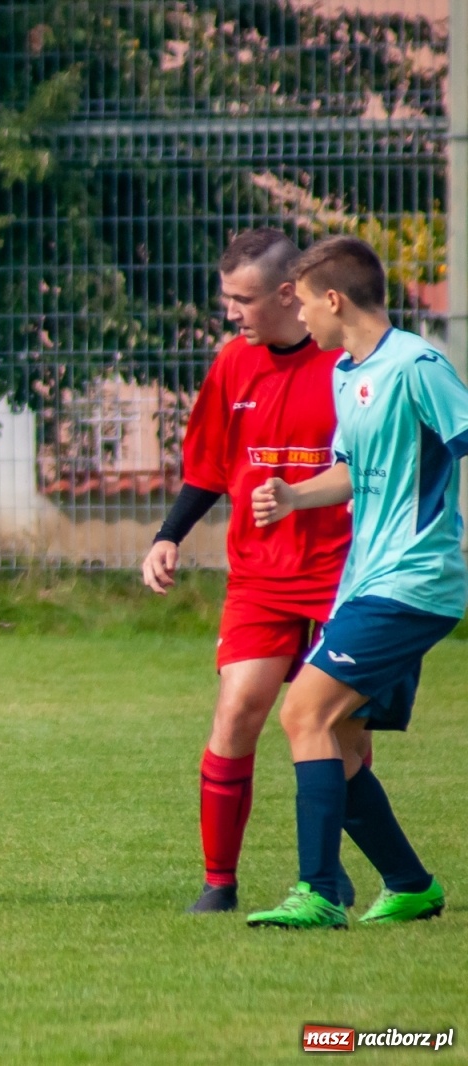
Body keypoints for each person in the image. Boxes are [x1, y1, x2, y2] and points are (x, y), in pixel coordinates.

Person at [246, 235, 467, 929]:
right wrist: (292, 498)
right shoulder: (347, 372)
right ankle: (409, 883)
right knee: (337, 741)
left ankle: (319, 890)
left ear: (334, 299)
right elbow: (354, 471)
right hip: (365, 579)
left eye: (305, 302)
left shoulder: (419, 365)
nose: (301, 317)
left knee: (302, 713)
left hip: (413, 579)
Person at [141, 228, 351, 914]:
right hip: (260, 576)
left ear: (289, 294)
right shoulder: (233, 363)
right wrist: (168, 536)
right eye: (227, 297)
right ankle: (219, 883)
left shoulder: (350, 364)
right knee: (236, 712)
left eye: (243, 299)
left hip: (341, 574)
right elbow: (206, 466)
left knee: (338, 737)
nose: (232, 312)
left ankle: (331, 878)